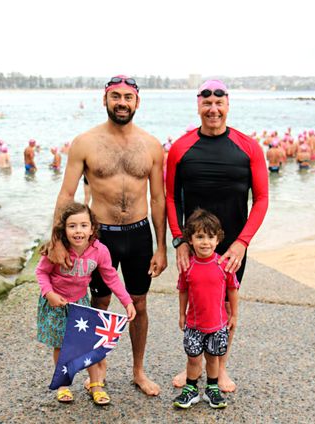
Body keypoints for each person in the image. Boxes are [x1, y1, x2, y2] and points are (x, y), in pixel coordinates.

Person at [48, 75, 167, 396]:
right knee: (98, 303)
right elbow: (67, 194)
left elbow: (158, 199)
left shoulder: (151, 145)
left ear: (137, 102)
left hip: (139, 234)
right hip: (99, 238)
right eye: (116, 97)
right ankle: (96, 373)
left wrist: (162, 247)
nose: (122, 103)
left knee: (139, 302)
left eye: (128, 97)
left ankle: (138, 371)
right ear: (105, 100)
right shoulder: (85, 143)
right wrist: (57, 240)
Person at [166, 79, 268, 392]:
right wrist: (179, 240)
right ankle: (193, 367)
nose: (213, 110)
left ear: (227, 105)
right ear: (198, 106)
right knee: (196, 303)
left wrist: (242, 242)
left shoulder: (248, 147)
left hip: (232, 245)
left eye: (219, 104)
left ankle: (220, 368)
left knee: (224, 305)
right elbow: (171, 197)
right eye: (207, 103)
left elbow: (262, 199)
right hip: (194, 245)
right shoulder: (181, 148)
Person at [36, 202, 136, 405]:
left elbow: (111, 277)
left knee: (89, 344)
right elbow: (41, 272)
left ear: (92, 228)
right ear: (64, 229)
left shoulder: (100, 251)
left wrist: (127, 302)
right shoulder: (56, 249)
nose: (78, 231)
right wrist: (49, 293)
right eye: (72, 226)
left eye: (83, 225)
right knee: (61, 345)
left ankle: (96, 385)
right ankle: (63, 384)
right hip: (56, 304)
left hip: (80, 304)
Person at [173, 209, 239, 409]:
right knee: (193, 359)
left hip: (217, 325)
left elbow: (233, 289)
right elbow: (183, 291)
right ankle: (191, 390)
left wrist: (234, 315)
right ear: (190, 240)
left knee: (213, 358)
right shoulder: (188, 266)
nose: (205, 242)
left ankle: (212, 389)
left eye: (210, 237)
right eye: (200, 237)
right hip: (194, 324)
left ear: (218, 240)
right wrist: (181, 314)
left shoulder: (223, 264)